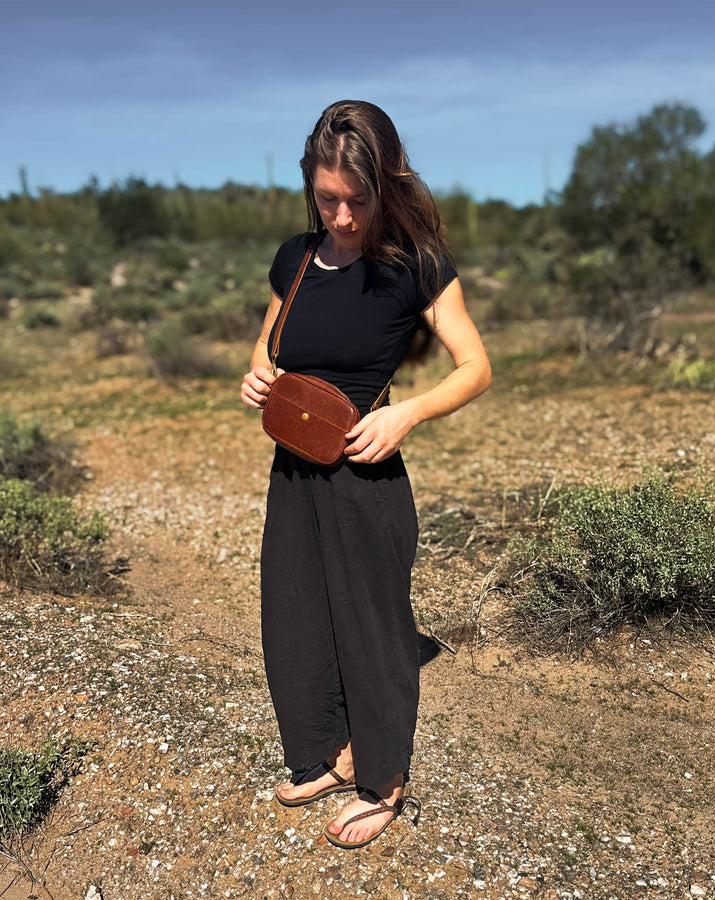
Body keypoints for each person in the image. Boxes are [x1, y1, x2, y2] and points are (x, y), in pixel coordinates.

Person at [241, 100, 491, 850]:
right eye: (328, 199)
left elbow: (476, 368)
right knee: (294, 616)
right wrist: (257, 378)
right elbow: (267, 347)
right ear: (309, 188)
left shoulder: (415, 267)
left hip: (365, 478)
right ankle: (324, 751)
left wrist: (405, 414)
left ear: (385, 185)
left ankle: (383, 779)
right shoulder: (295, 257)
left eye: (357, 199)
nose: (343, 216)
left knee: (375, 631)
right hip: (294, 471)